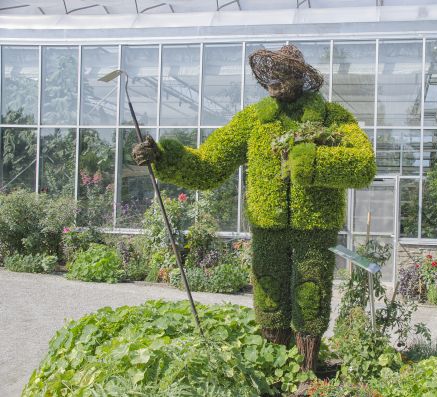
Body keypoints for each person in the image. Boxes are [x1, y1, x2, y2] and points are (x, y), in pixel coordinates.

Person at [132, 44, 375, 371]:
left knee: (311, 294)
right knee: (269, 294)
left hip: (314, 227)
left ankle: (305, 370)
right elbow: (209, 165)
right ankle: (274, 367)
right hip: (268, 225)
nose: (274, 81)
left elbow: (363, 164)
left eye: (282, 74)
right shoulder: (254, 121)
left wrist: (310, 162)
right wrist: (163, 157)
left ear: (299, 77)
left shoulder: (332, 119)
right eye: (270, 75)